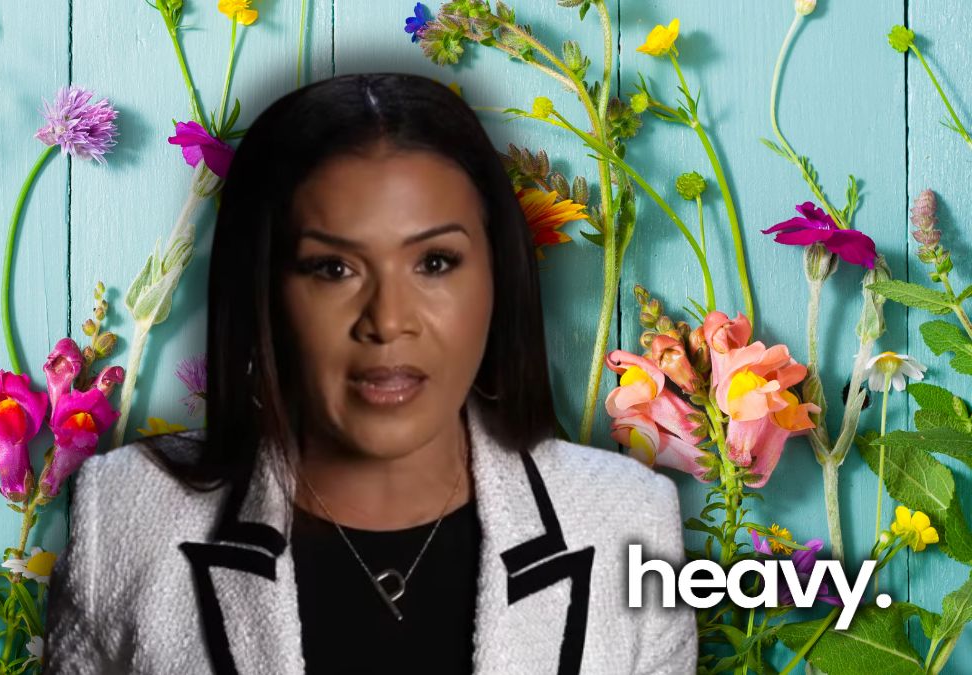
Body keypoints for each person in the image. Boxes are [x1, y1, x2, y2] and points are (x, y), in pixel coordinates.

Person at [44, 72, 696, 674]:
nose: (388, 320)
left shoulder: (628, 519)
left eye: (435, 263)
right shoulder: (125, 514)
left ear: (498, 279)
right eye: (333, 268)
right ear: (260, 290)